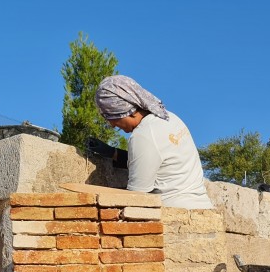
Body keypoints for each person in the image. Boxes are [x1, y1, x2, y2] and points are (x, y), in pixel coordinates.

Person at [85, 76, 215, 209]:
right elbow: (154, 161)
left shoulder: (143, 135)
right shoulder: (168, 117)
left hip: (176, 214)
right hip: (203, 208)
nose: (112, 125)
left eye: (110, 117)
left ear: (122, 110)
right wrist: (112, 153)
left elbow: (137, 197)